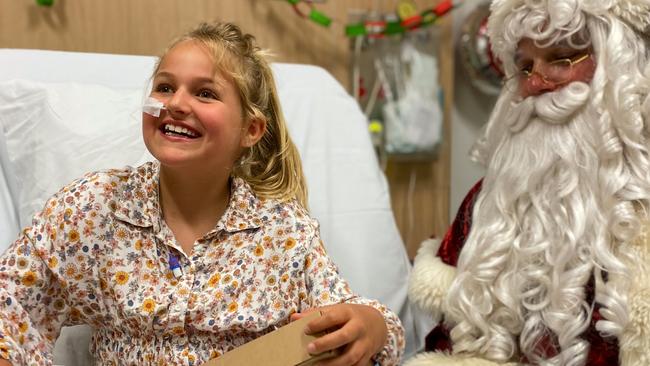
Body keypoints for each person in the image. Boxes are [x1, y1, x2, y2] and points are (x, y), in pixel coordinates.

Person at [0, 21, 405, 365]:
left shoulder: (283, 230)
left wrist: (372, 325)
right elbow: (11, 300)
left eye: (205, 93)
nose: (176, 103)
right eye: (164, 87)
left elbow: (349, 316)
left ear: (251, 130)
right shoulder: (92, 207)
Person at [405, 0, 650, 365]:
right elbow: (446, 343)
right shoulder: (488, 204)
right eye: (524, 65)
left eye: (561, 58)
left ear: (620, 71)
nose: (536, 83)